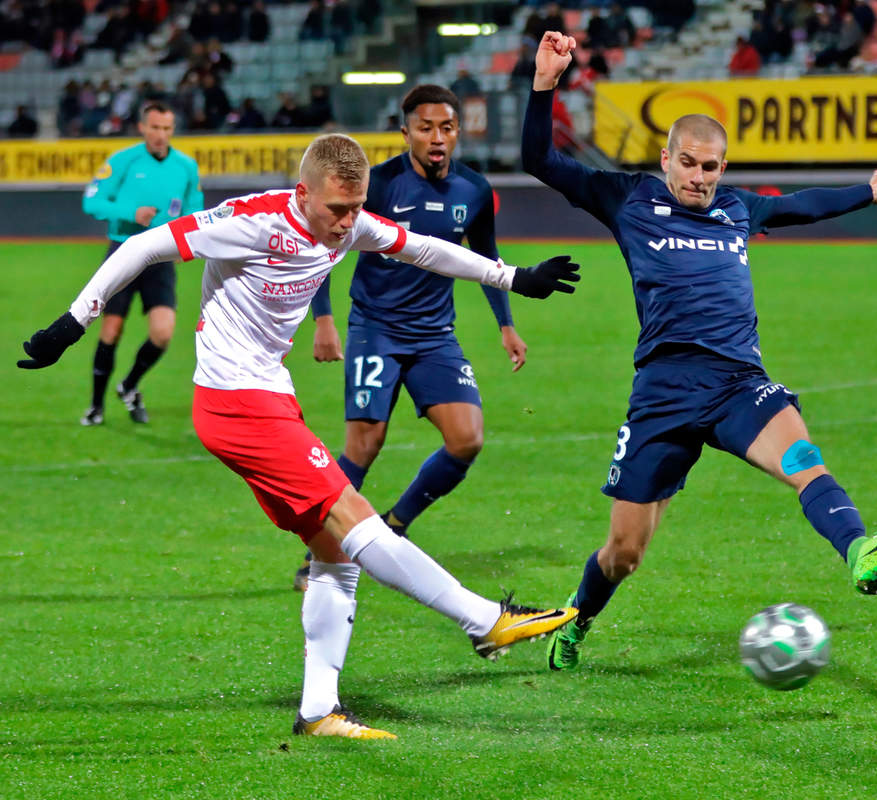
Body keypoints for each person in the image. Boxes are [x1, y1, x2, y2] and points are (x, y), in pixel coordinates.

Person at [18, 133, 582, 739]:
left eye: (355, 207)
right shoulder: (252, 222)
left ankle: (319, 710)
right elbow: (144, 245)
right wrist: (73, 323)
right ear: (303, 192)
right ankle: (483, 620)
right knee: (355, 514)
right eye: (336, 209)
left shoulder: (352, 222)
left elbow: (423, 249)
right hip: (235, 402)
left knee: (334, 550)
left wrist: (515, 278)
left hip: (266, 396)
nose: (346, 223)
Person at [522, 32, 877, 672]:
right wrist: (545, 84)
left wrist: (866, 189)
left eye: (712, 167)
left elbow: (801, 206)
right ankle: (577, 617)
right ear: (666, 158)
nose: (701, 178)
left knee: (803, 459)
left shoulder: (737, 209)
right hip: (663, 391)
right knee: (624, 553)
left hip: (739, 381)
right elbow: (540, 159)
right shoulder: (626, 198)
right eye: (689, 163)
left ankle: (859, 551)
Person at [293, 84, 527, 590]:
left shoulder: (474, 190)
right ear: (406, 134)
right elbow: (323, 246)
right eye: (425, 128)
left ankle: (394, 525)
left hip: (435, 335)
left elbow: (487, 260)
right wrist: (324, 319)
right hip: (375, 328)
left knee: (467, 439)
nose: (437, 138)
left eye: (446, 128)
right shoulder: (377, 185)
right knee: (365, 443)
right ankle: (321, 554)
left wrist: (505, 324)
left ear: (458, 132)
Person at [79, 101, 202, 426]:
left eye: (167, 128)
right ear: (143, 128)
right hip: (123, 251)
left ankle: (129, 386)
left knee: (163, 334)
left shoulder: (186, 167)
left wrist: (186, 244)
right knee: (111, 329)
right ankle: (95, 406)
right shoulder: (122, 161)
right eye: (155, 127)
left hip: (160, 256)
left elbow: (194, 209)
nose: (161, 134)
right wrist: (129, 214)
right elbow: (92, 200)